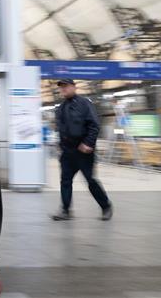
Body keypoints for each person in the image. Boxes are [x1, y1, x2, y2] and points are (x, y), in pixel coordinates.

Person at [51, 79, 113, 221]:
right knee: (65, 181)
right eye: (61, 88)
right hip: (67, 152)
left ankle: (106, 206)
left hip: (83, 151)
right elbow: (60, 130)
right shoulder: (60, 108)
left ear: (74, 87)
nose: (63, 89)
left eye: (66, 86)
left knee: (90, 180)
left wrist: (88, 143)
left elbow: (94, 125)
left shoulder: (85, 104)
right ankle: (65, 211)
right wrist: (61, 148)